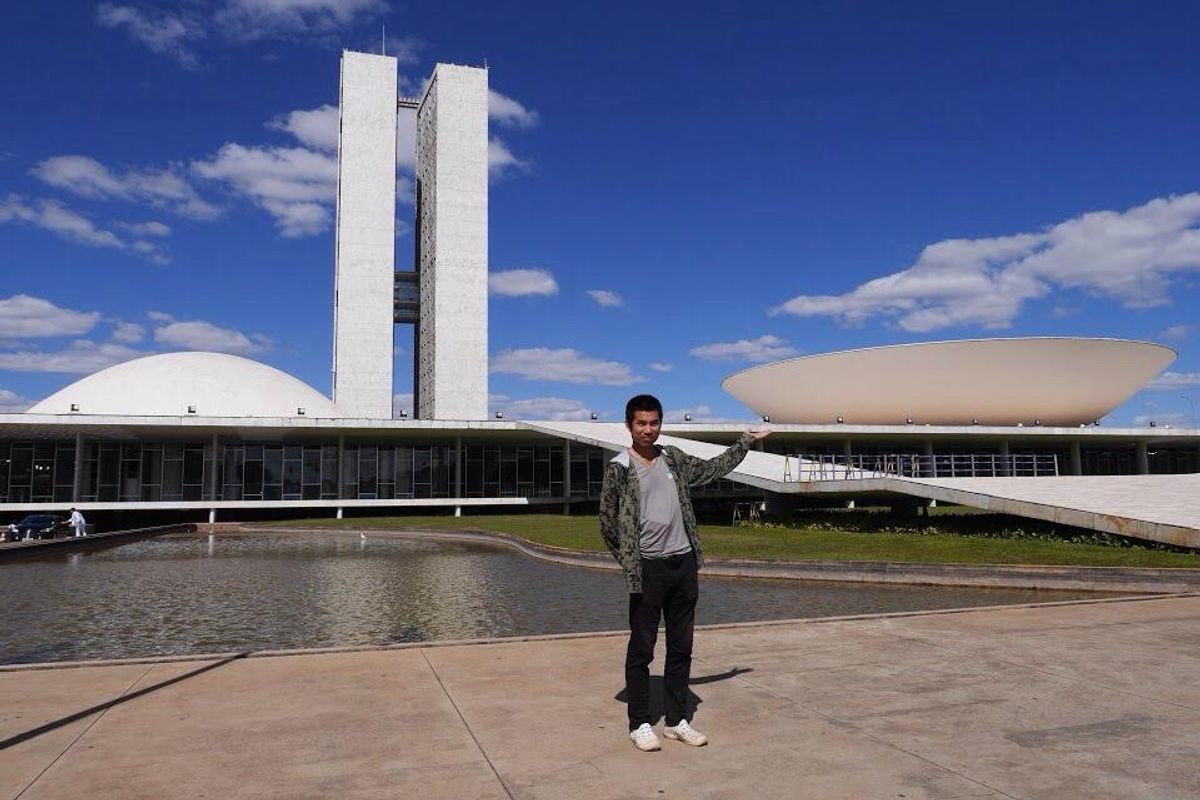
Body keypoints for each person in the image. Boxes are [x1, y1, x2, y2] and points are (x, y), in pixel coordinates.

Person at [599, 394, 769, 752]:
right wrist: (631, 560)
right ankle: (639, 722)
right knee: (642, 648)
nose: (648, 430)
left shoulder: (672, 457)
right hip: (648, 569)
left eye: (654, 422)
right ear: (629, 425)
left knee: (681, 647)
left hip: (683, 564)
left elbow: (712, 469)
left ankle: (677, 722)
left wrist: (746, 441)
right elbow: (607, 523)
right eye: (641, 423)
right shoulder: (619, 467)